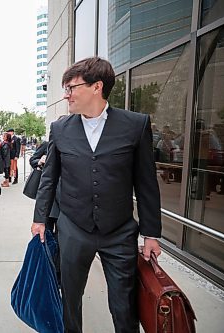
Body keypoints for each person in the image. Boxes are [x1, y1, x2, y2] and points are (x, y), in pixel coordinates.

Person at [32, 57, 162, 332]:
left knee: (124, 304)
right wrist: (40, 219)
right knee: (70, 297)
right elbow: (49, 178)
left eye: (71, 87)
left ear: (97, 87)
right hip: (73, 227)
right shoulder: (60, 129)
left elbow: (147, 183)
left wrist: (151, 234)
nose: (66, 94)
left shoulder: (135, 125)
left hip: (119, 231)